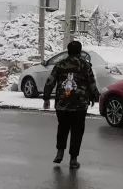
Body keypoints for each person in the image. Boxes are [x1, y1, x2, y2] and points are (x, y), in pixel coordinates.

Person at [43, 41, 99, 169]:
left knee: (62, 127)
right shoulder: (85, 65)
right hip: (79, 104)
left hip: (62, 103)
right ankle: (73, 160)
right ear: (80, 52)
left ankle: (60, 152)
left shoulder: (60, 65)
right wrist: (95, 96)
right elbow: (91, 83)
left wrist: (46, 98)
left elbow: (50, 81)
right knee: (77, 131)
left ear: (68, 51)